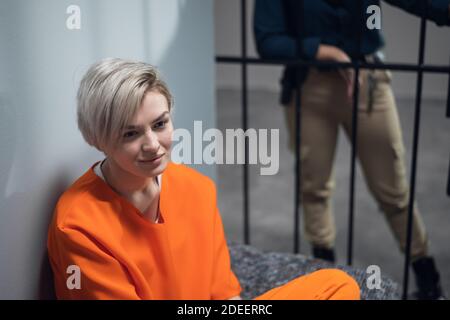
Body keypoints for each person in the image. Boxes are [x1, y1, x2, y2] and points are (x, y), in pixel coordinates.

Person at [47, 58, 360, 300]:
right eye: (131, 133)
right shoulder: (78, 226)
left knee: (337, 286)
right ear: (96, 139)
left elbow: (223, 293)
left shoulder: (196, 188)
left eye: (160, 124)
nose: (153, 145)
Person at [254, 0, 450, 300]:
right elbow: (268, 40)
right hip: (310, 86)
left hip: (367, 81)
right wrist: (326, 52)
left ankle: (429, 280)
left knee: (394, 192)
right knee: (314, 189)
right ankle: (326, 280)